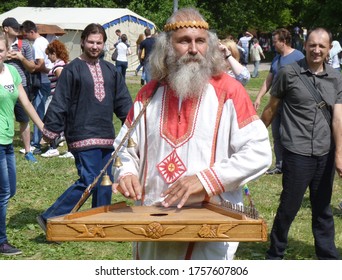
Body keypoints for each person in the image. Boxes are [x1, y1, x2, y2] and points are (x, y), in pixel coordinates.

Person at [112, 7, 272, 260]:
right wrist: (127, 172)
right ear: (167, 46)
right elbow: (124, 148)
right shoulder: (148, 94)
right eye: (184, 41)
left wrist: (206, 180)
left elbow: (259, 153)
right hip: (154, 220)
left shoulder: (230, 92)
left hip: (211, 222)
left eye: (200, 41)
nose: (194, 49)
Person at [36, 23, 133, 233]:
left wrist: (134, 123)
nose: (95, 46)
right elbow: (59, 102)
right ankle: (50, 218)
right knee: (90, 180)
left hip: (107, 136)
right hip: (81, 135)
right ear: (82, 42)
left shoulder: (110, 70)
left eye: (99, 43)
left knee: (106, 180)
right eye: (91, 41)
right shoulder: (72, 70)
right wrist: (50, 132)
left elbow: (123, 101)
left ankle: (100, 222)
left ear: (104, 44)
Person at [261, 27, 342, 260]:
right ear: (305, 45)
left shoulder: (336, 78)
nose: (316, 50)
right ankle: (275, 255)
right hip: (297, 152)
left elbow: (338, 119)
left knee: (323, 209)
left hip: (325, 153)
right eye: (312, 45)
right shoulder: (288, 73)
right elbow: (271, 109)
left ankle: (328, 259)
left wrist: (339, 155)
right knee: (288, 208)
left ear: (329, 50)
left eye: (322, 46)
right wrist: (252, 137)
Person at [0, 34, 44, 255]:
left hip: (7, 141)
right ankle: (1, 240)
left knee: (11, 190)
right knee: (3, 190)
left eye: (0, 50)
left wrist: (43, 128)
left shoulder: (13, 72)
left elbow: (26, 102)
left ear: (7, 51)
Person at [254, 28, 304, 175]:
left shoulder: (298, 56)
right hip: (275, 103)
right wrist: (259, 97)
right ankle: (280, 165)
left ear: (284, 41)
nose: (273, 44)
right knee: (276, 134)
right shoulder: (276, 59)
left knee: (288, 134)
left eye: (275, 41)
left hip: (292, 104)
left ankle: (292, 165)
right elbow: (268, 80)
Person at [2, 17, 37, 162]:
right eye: (14, 27)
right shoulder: (1, 45)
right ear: (5, 28)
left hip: (21, 86)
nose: (17, 30)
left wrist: (21, 58)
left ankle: (28, 150)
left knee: (23, 119)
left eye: (18, 27)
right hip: (2, 88)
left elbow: (32, 67)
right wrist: (5, 57)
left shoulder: (25, 45)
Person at [21, 20, 52, 155]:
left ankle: (36, 144)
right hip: (46, 81)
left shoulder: (37, 44)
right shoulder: (44, 41)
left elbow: (40, 64)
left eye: (26, 34)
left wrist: (30, 68)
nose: (25, 37)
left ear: (32, 32)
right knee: (43, 112)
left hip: (42, 81)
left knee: (37, 113)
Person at [40, 40, 69, 158]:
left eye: (49, 54)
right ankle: (68, 148)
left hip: (55, 97)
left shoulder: (58, 66)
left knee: (50, 122)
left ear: (54, 53)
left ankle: (53, 147)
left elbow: (63, 82)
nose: (48, 57)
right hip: (57, 97)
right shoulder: (63, 63)